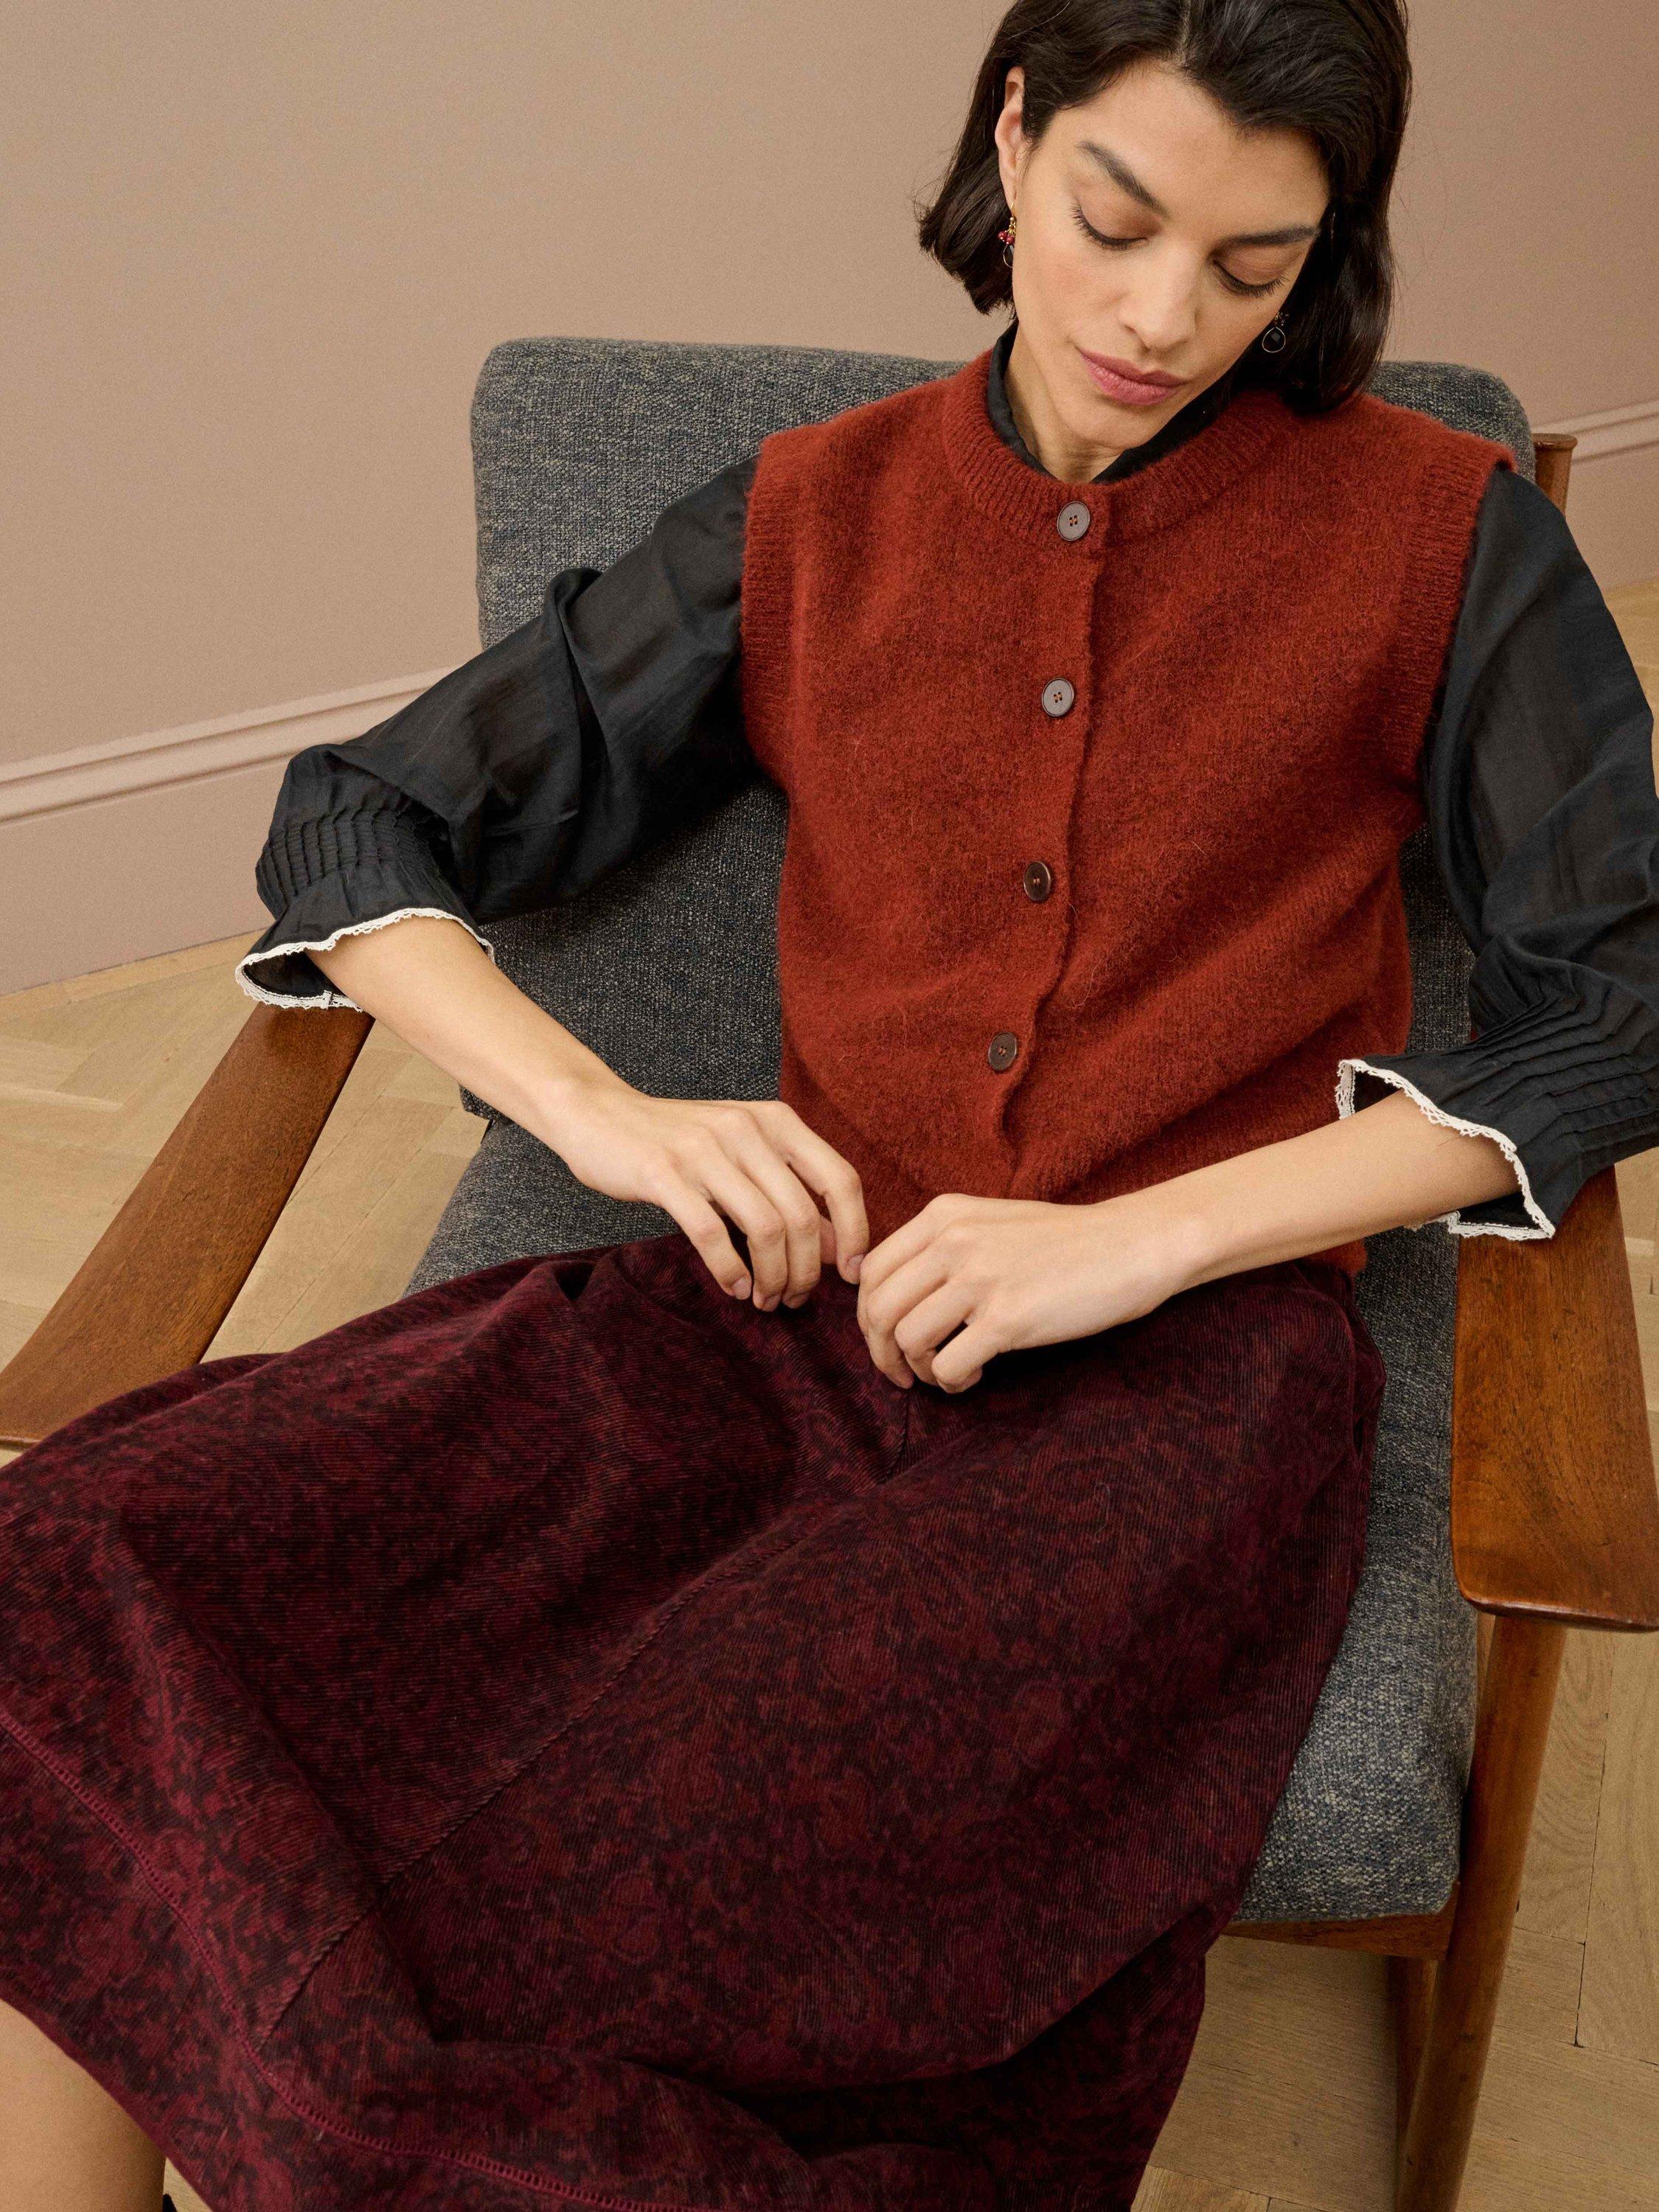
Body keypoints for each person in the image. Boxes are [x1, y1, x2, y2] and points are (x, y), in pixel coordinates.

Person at [4, 4, 1657, 2208]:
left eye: (1253, 267)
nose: (1164, 318)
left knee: (595, 1901)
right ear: (1015, 135)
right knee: (73, 1567)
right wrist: (607, 1117)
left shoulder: (1444, 535)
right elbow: (358, 820)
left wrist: (1148, 1233)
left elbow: (1623, 1000)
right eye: (1115, 219)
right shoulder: (808, 513)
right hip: (766, 1310)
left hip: (1172, 1409)